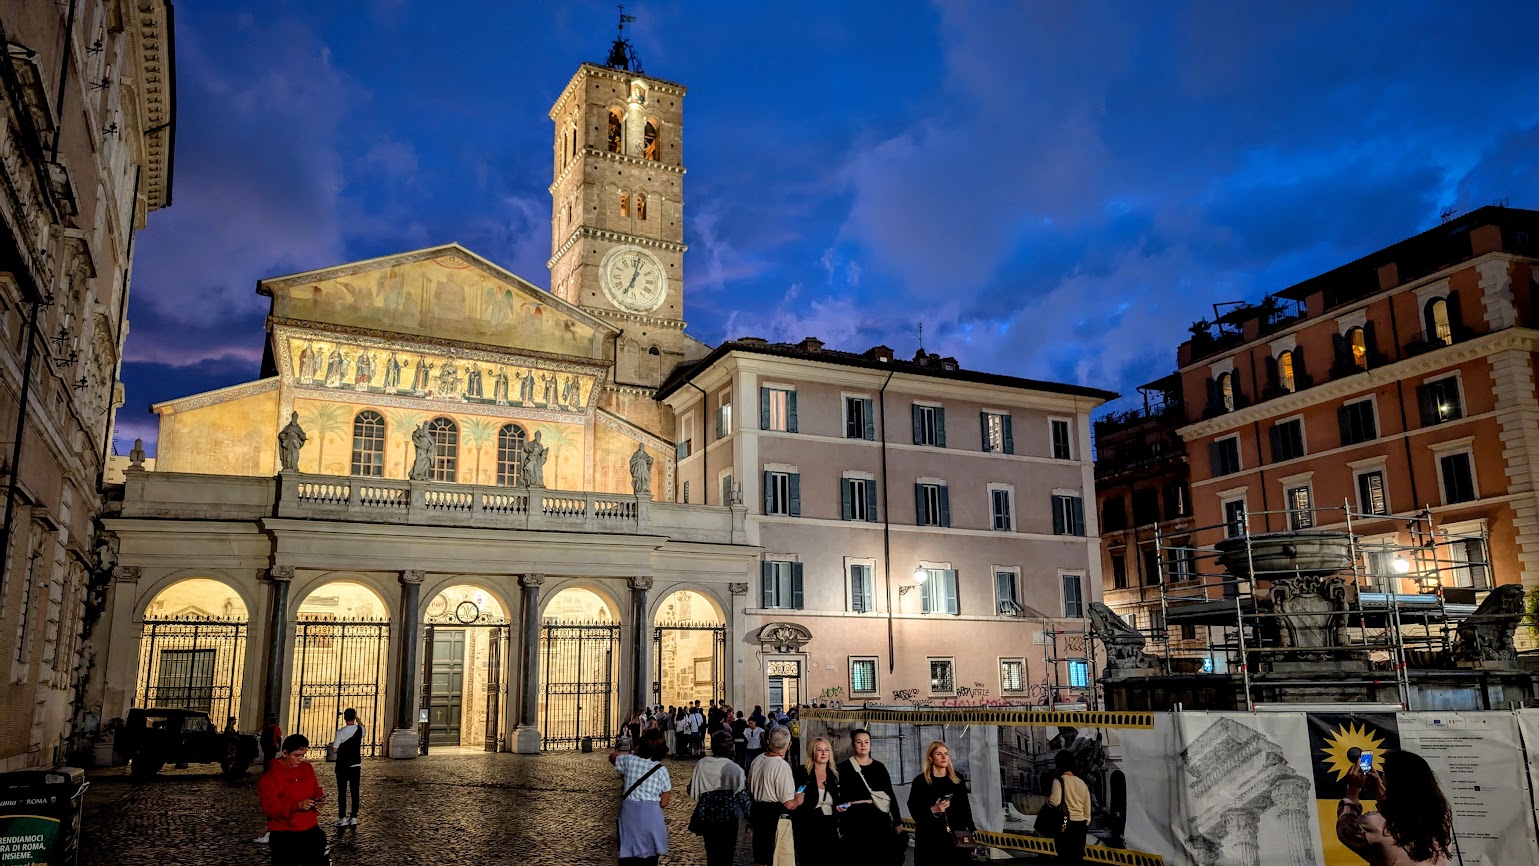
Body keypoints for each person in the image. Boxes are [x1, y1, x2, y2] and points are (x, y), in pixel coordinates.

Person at [1338, 750, 1453, 866]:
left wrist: (1352, 793)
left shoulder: (1375, 826)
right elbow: (1403, 813)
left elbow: (1346, 831)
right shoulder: (1442, 823)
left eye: (1384, 773)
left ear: (1392, 782)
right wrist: (1379, 788)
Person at [837, 728, 906, 863]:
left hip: (878, 819)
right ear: (853, 744)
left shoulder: (879, 767)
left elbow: (889, 795)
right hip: (854, 820)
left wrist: (897, 821)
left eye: (866, 742)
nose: (863, 745)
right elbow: (839, 794)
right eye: (859, 742)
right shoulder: (843, 768)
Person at [258, 734, 328, 865]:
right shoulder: (270, 777)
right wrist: (297, 805)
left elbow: (315, 788)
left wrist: (318, 798)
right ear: (285, 753)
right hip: (284, 833)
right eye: (296, 755)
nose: (301, 759)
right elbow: (269, 808)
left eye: (303, 755)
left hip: (310, 828)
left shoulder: (307, 768)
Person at [907, 740, 976, 866]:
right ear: (930, 758)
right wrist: (933, 810)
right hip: (930, 839)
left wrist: (971, 833)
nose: (944, 757)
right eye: (939, 754)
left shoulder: (957, 779)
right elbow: (913, 808)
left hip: (956, 837)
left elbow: (965, 808)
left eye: (946, 753)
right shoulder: (920, 782)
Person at [611, 728, 673, 866]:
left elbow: (612, 757)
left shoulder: (630, 761)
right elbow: (664, 802)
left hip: (629, 817)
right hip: (651, 818)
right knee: (650, 859)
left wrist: (632, 753)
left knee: (628, 858)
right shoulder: (661, 771)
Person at [690, 730, 750, 866]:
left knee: (711, 854)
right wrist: (749, 817)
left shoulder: (702, 764)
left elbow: (692, 789)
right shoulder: (735, 769)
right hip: (728, 817)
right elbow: (742, 796)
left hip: (708, 816)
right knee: (727, 855)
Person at [748, 727, 804, 866]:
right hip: (773, 818)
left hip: (757, 813)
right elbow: (788, 803)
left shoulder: (757, 760)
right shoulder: (781, 766)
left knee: (759, 858)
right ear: (789, 744)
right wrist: (799, 798)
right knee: (775, 859)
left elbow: (749, 788)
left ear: (768, 742)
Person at [790, 736, 841, 866]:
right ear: (813, 752)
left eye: (826, 750)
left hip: (829, 827)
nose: (824, 753)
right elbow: (798, 795)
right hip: (808, 827)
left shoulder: (835, 775)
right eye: (819, 750)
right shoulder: (803, 772)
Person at [1046, 750, 1091, 866]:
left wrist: (1047, 799)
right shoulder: (1081, 782)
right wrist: (1085, 820)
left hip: (1065, 823)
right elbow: (1087, 806)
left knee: (1064, 856)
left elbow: (1055, 802)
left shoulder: (1059, 781)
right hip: (1081, 824)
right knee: (1077, 856)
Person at [330, 709, 364, 827]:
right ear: (354, 717)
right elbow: (362, 726)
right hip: (355, 765)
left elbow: (334, 749)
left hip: (342, 766)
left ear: (344, 718)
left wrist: (342, 749)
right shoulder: (360, 730)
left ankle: (342, 817)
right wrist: (357, 718)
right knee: (355, 792)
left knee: (342, 792)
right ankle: (354, 817)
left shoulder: (340, 732)